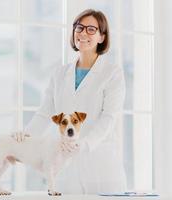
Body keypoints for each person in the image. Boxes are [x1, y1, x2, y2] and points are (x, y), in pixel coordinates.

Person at [13, 9, 127, 194]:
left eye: (91, 29)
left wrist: (85, 144)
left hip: (101, 163)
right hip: (65, 164)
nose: (83, 33)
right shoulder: (60, 74)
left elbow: (109, 118)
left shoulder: (112, 73)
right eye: (79, 27)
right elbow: (44, 113)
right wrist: (25, 138)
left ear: (101, 37)